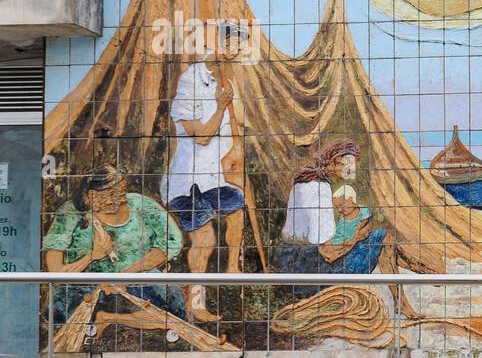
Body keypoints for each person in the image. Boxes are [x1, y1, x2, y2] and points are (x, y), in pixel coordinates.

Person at [273, 139, 419, 317]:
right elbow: (328, 253)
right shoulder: (320, 188)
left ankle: (406, 294)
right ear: (335, 160)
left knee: (378, 236)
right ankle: (402, 303)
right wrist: (356, 237)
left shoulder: (304, 181)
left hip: (290, 260)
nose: (350, 173)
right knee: (384, 237)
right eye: (348, 167)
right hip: (311, 269)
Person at [42, 165, 185, 327]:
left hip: (137, 276)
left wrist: (124, 276)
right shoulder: (71, 212)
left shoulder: (140, 204)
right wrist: (93, 255)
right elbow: (55, 273)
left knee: (175, 307)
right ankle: (107, 318)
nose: (112, 201)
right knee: (57, 313)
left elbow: (172, 241)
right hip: (87, 283)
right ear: (89, 195)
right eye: (104, 196)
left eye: (119, 194)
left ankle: (109, 318)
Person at [164, 49, 246, 322]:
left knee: (237, 207)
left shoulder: (216, 84)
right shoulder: (184, 103)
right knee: (205, 239)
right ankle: (195, 304)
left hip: (211, 179)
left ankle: (233, 269)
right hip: (186, 183)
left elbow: (231, 122)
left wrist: (235, 148)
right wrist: (222, 105)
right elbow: (202, 137)